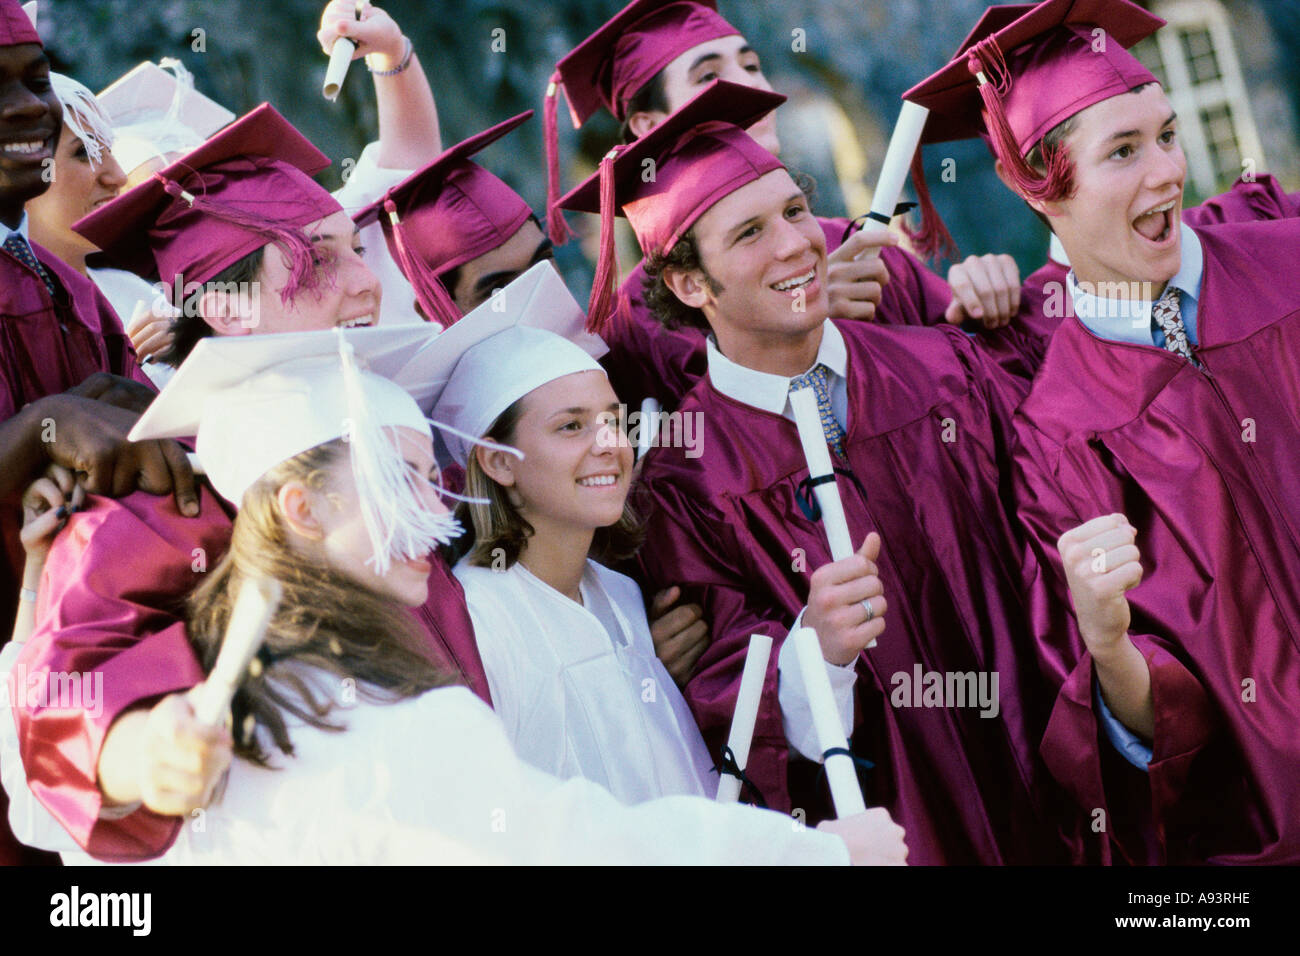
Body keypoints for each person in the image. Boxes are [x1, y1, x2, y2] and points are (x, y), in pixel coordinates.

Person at [120, 327, 905, 866]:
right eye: (398, 485)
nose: (431, 513)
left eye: (431, 480)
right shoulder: (381, 689)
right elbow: (565, 840)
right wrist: (817, 852)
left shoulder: (622, 601)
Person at [559, 81, 1065, 864]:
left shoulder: (945, 369)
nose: (796, 245)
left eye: (796, 212)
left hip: (1044, 779)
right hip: (893, 824)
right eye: (750, 233)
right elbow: (718, 695)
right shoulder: (681, 487)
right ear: (692, 286)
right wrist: (812, 651)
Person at [12, 109, 483, 862]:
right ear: (226, 308)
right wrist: (142, 751)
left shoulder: (406, 462)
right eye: (322, 259)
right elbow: (68, 699)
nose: (368, 282)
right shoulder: (163, 498)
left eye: (359, 249)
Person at [907, 0, 1300, 864]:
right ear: (1035, 183)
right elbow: (1154, 724)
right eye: (1123, 152)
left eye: (1165, 134)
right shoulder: (1058, 436)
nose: (1167, 173)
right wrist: (1105, 638)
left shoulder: (1292, 271)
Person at [545, 0, 1029, 411]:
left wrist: (983, 299)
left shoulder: (852, 245)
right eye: (710, 75)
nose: (753, 87)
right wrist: (794, 330)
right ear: (649, 128)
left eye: (752, 65)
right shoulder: (633, 325)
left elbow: (983, 380)